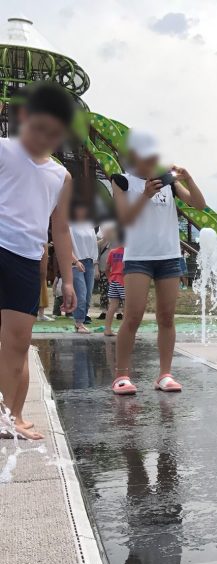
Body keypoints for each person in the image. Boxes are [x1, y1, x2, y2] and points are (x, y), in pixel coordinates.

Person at [0, 83, 77, 440]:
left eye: (54, 134)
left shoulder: (61, 176)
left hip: (26, 260)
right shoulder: (3, 151)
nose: (44, 138)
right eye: (39, 128)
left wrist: (70, 281)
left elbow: (60, 230)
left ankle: (9, 417)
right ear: (24, 117)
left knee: (17, 342)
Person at [111, 130, 206, 395]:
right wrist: (144, 195)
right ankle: (121, 375)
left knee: (166, 317)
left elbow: (199, 205)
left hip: (168, 255)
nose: (152, 164)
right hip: (139, 256)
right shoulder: (122, 181)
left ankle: (165, 374)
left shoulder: (169, 183)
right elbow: (124, 220)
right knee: (133, 315)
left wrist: (188, 179)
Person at [69, 201, 101, 333]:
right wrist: (76, 261)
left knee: (88, 296)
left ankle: (81, 321)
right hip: (76, 262)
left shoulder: (89, 225)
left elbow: (94, 245)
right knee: (81, 294)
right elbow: (65, 246)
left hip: (89, 262)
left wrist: (96, 263)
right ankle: (79, 323)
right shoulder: (70, 225)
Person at [103, 242, 125, 337]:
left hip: (113, 280)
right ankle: (126, 331)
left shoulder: (112, 252)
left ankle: (107, 329)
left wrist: (110, 279)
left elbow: (107, 268)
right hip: (124, 281)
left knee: (112, 306)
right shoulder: (129, 252)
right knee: (127, 307)